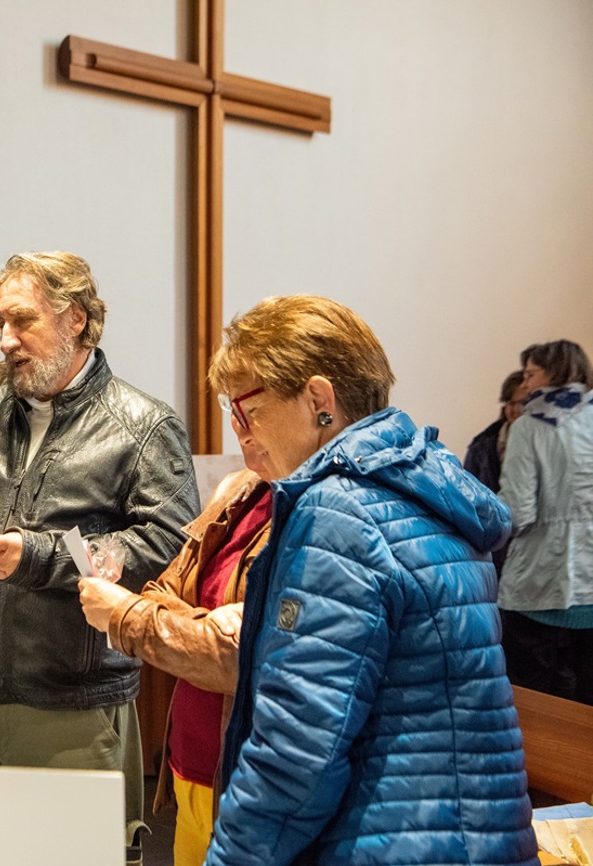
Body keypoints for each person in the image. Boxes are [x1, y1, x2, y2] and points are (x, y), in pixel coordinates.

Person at [203, 295, 536, 866]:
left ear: (318, 400)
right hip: (469, 836)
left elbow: (299, 751)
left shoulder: (338, 511)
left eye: (247, 408)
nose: (241, 431)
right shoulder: (424, 486)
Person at [0, 251, 199, 863]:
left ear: (78, 321)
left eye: (22, 321)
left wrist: (38, 558)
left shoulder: (142, 426)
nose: (5, 340)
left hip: (73, 712)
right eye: (0, 324)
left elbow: (165, 550)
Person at [77, 411, 270, 866]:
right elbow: (165, 588)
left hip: (249, 779)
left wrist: (127, 615)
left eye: (252, 409)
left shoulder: (312, 512)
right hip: (191, 763)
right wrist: (201, 624)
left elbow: (235, 655)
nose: (241, 426)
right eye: (232, 410)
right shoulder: (240, 488)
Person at [497, 339, 593, 705]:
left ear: (554, 372)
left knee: (534, 698)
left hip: (542, 580)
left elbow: (518, 510)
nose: (526, 385)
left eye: (530, 374)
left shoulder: (531, 425)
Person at [464, 369, 527, 493]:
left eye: (523, 403)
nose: (516, 409)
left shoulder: (542, 442)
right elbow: (467, 492)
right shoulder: (481, 446)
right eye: (511, 403)